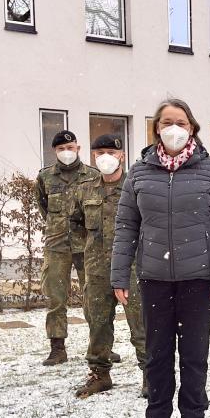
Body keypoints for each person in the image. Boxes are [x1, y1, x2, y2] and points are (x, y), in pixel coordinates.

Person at [111, 99, 210, 418]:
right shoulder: (138, 173)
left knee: (195, 357)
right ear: (156, 128)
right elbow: (125, 227)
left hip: (199, 280)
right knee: (157, 356)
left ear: (192, 128)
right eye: (167, 121)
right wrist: (119, 275)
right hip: (153, 278)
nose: (174, 128)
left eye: (181, 122)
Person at [69, 134, 147, 399]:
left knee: (141, 324)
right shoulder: (85, 188)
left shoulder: (136, 187)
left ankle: (150, 375)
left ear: (122, 155)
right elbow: (75, 224)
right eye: (99, 152)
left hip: (134, 266)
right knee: (98, 323)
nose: (105, 157)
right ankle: (99, 374)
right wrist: (92, 251)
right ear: (92, 156)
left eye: (111, 153)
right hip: (98, 268)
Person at [36, 130, 99, 366]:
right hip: (56, 245)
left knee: (94, 297)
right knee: (55, 297)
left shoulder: (93, 176)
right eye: (61, 149)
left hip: (87, 245)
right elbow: (44, 207)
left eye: (70, 148)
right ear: (55, 151)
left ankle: (99, 345)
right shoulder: (45, 177)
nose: (66, 152)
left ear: (78, 148)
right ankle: (57, 348)